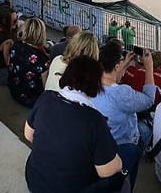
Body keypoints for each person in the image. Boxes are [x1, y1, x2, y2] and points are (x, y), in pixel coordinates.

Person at [24, 56, 123, 193]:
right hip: (71, 189)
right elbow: (106, 171)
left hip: (35, 182)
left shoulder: (46, 97)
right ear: (95, 84)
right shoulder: (94, 119)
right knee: (129, 152)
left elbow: (28, 135)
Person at [91, 39, 155, 191]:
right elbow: (149, 100)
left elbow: (112, 79)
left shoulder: (90, 83)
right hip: (121, 143)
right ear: (116, 66)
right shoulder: (122, 93)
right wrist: (149, 68)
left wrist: (124, 64)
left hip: (98, 141)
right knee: (148, 126)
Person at [6, 18, 51, 108]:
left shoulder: (15, 44)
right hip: (31, 98)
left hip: (14, 91)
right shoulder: (42, 59)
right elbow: (46, 85)